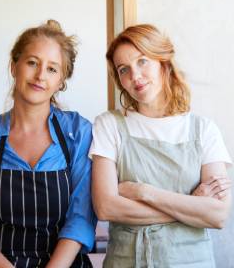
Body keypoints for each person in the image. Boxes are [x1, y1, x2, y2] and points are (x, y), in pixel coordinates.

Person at [0, 19, 96, 268]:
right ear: (14, 66)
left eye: (52, 69)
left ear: (61, 80)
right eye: (32, 63)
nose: (40, 75)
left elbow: (81, 217)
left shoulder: (78, 134)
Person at [90, 24, 232, 267]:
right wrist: (191, 208)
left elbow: (217, 215)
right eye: (124, 69)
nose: (135, 76)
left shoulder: (203, 130)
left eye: (142, 61)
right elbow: (106, 207)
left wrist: (143, 192)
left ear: (163, 63)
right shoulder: (109, 125)